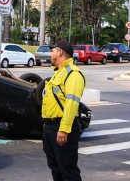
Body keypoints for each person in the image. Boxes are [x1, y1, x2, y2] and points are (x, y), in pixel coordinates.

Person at [42, 40, 86, 181]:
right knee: (56, 169)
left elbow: (71, 104)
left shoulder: (73, 74)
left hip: (62, 127)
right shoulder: (58, 73)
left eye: (53, 51)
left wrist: (64, 129)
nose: (51, 54)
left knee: (68, 172)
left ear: (60, 52)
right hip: (50, 126)